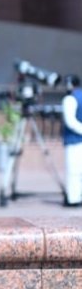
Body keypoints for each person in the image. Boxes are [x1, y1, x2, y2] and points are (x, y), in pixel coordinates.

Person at [61, 74, 82, 206]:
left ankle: (73, 198)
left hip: (74, 139)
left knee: (73, 170)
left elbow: (70, 121)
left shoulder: (70, 99)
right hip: (76, 139)